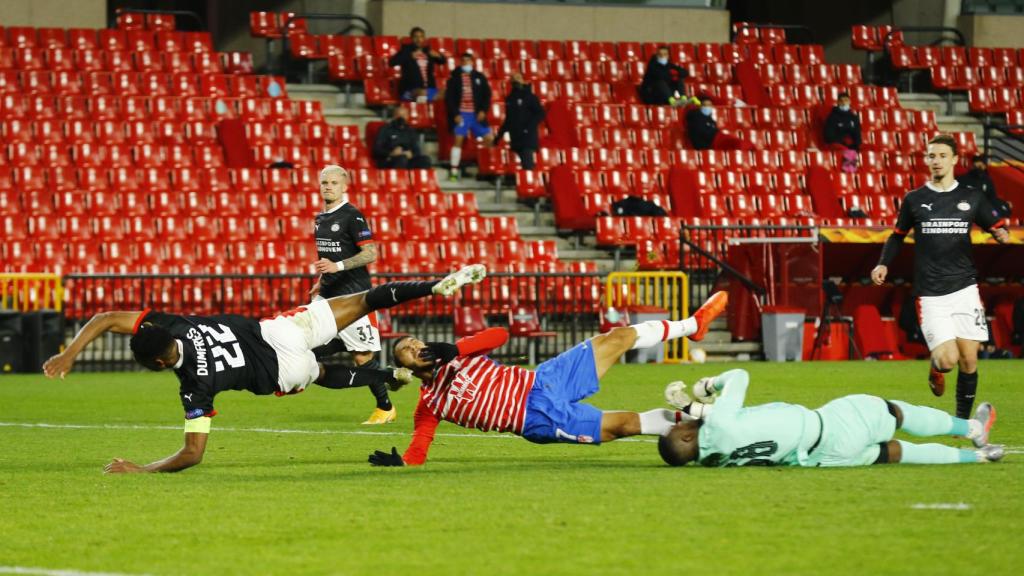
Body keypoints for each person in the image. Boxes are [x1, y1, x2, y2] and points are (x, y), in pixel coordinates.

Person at [41, 265, 488, 473]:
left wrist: (143, 469)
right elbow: (104, 320)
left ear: (159, 363)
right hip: (277, 330)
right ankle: (434, 285)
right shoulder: (171, 323)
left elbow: (192, 454)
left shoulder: (194, 386)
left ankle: (390, 378)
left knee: (323, 374)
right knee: (365, 300)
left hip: (279, 372)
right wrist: (70, 353)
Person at [366, 292, 729, 467]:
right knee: (624, 425)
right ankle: (702, 425)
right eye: (409, 352)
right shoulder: (430, 403)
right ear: (410, 369)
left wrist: (456, 348)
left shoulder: (458, 353)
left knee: (615, 338)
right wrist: (403, 463)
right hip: (537, 418)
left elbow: (499, 335)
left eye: (416, 342)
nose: (418, 347)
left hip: (543, 381)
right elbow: (420, 448)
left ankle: (692, 326)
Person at [871, 134, 1010, 418]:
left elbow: (995, 224)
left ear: (955, 160)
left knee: (970, 359)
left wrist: (1000, 233)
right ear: (927, 160)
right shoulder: (915, 199)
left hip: (964, 288)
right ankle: (936, 367)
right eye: (931, 156)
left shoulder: (972, 197)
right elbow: (897, 237)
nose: (936, 161)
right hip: (931, 293)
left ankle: (962, 422)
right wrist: (883, 263)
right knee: (949, 360)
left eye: (942, 156)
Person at [657, 368, 1003, 468]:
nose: (681, 424)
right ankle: (973, 428)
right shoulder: (717, 427)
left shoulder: (712, 460)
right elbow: (740, 377)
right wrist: (707, 385)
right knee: (895, 412)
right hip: (832, 425)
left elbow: (736, 424)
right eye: (679, 428)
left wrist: (692, 409)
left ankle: (977, 456)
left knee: (896, 452)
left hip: (821, 458)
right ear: (686, 439)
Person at [308, 165, 396, 425]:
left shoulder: (352, 216)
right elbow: (327, 256)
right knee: (309, 344)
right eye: (324, 182)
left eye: (334, 183)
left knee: (361, 357)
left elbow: (371, 253)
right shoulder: (320, 219)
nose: (328, 186)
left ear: (344, 186)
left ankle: (385, 406)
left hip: (354, 296)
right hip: (327, 295)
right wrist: (321, 280)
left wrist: (338, 266)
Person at [444, 52, 494, 181]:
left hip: (476, 115)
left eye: (468, 60)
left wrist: (483, 110)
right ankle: (453, 170)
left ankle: (486, 171)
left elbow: (487, 96)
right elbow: (449, 99)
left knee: (489, 139)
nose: (466, 63)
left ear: (473, 62)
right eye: (464, 60)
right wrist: (455, 114)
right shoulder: (454, 79)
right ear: (460, 63)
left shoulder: (480, 77)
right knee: (458, 140)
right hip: (462, 114)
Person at [496, 73, 546, 170]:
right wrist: (498, 137)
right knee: (519, 168)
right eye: (513, 79)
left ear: (524, 80)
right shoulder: (510, 98)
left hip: (527, 139)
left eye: (518, 78)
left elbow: (540, 113)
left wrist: (528, 128)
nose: (516, 81)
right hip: (515, 138)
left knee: (528, 166)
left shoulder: (530, 97)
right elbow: (508, 119)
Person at [388, 26, 445, 103]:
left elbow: (443, 61)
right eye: (416, 37)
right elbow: (392, 63)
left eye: (421, 37)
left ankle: (427, 106)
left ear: (424, 38)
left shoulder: (428, 51)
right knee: (422, 94)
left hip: (428, 88)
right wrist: (409, 56)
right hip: (409, 90)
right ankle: (422, 110)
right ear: (411, 38)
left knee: (448, 93)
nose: (419, 39)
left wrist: (438, 55)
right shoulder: (406, 50)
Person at [684, 96, 752, 151]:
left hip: (717, 139)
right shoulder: (696, 118)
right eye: (706, 105)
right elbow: (703, 135)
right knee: (739, 144)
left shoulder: (707, 117)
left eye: (710, 105)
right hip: (713, 142)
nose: (708, 107)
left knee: (744, 145)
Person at [959, 154, 1012, 218]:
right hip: (968, 208)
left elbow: (992, 197)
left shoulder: (987, 180)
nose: (978, 167)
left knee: (1003, 207)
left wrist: (1004, 204)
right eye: (975, 164)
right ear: (972, 165)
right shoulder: (963, 179)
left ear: (984, 166)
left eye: (980, 165)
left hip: (985, 208)